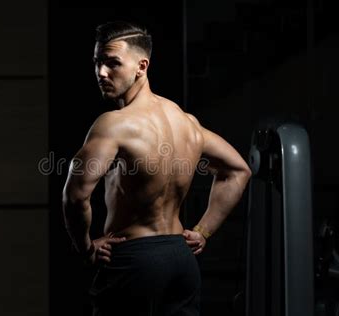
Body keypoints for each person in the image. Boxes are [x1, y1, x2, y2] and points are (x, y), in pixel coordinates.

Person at [62, 21, 252, 316]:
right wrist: (203, 231)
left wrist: (86, 248)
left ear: (141, 66)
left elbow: (75, 196)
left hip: (134, 261)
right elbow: (238, 170)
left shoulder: (114, 124)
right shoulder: (186, 122)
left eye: (112, 63)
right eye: (97, 62)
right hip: (181, 260)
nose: (101, 72)